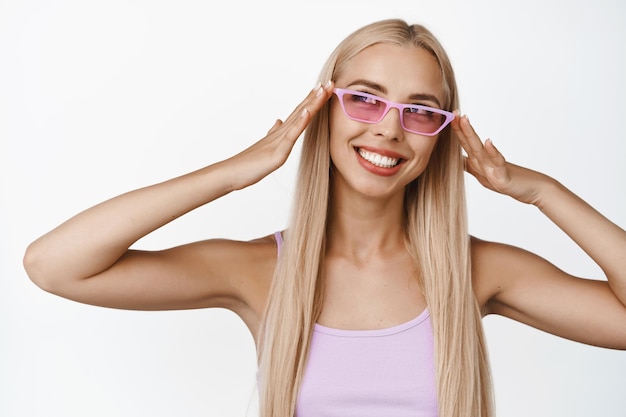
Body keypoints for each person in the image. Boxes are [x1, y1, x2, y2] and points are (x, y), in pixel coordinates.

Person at [23, 18, 626, 417]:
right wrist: (238, 170)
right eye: (365, 97)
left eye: (420, 111)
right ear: (324, 109)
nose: (389, 127)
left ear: (442, 136)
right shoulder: (260, 271)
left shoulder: (477, 270)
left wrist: (540, 190)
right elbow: (55, 266)